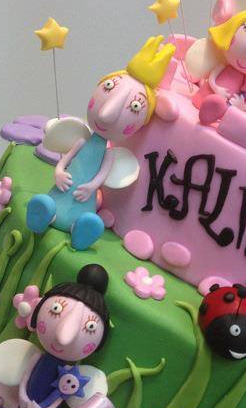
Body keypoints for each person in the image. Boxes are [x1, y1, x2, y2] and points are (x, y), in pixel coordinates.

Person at [26, 35, 174, 250]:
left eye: (135, 107)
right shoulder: (80, 141)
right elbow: (65, 160)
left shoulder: (109, 154)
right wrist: (58, 172)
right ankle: (44, 213)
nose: (106, 114)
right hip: (63, 189)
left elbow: (101, 176)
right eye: (109, 86)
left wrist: (91, 188)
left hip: (83, 198)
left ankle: (81, 229)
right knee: (48, 203)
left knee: (88, 219)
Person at [0, 264, 110, 408]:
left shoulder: (71, 376)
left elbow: (60, 397)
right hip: (24, 407)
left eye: (90, 327)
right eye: (56, 309)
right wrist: (23, 398)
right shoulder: (37, 357)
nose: (63, 338)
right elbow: (25, 378)